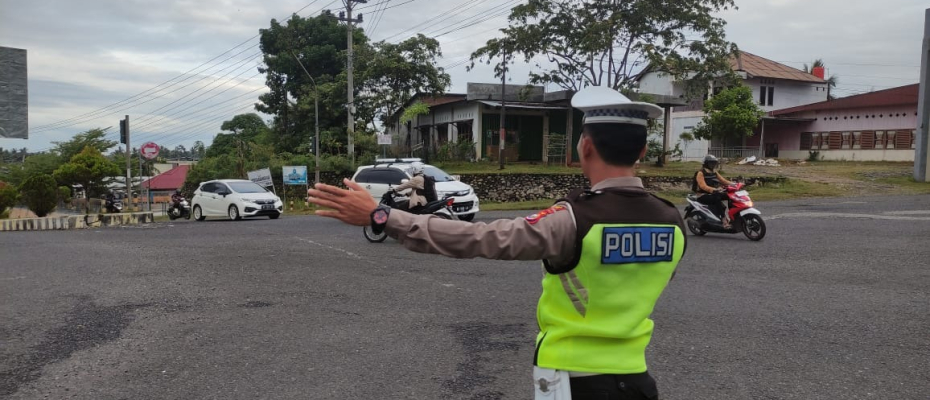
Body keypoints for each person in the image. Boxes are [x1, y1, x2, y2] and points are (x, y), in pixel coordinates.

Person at [308, 86, 686, 400]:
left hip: (569, 380)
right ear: (641, 151)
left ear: (584, 147)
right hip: (637, 381)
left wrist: (381, 216)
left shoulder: (572, 220)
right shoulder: (673, 222)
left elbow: (478, 238)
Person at [692, 155, 733, 228]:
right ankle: (724, 221)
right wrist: (714, 189)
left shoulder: (714, 172)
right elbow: (703, 186)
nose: (712, 165)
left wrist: (734, 184)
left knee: (730, 196)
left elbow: (723, 180)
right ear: (706, 164)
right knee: (717, 198)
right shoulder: (700, 173)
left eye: (714, 163)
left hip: (713, 193)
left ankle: (732, 216)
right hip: (702, 195)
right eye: (711, 163)